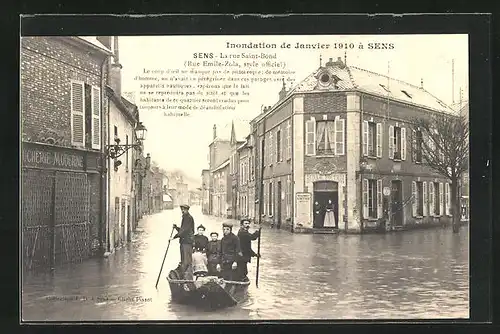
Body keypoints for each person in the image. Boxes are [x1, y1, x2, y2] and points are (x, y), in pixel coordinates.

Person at [171, 204, 194, 280]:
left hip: (187, 242)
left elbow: (184, 230)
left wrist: (174, 237)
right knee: (183, 260)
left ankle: (188, 278)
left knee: (187, 261)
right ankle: (184, 276)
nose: (183, 211)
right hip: (184, 242)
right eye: (182, 210)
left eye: (184, 210)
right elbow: (183, 229)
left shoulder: (188, 218)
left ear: (187, 210)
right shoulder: (185, 217)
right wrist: (176, 228)